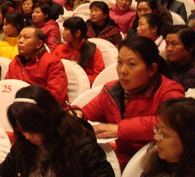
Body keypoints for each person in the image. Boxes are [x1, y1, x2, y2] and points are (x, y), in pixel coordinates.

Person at [75, 36, 185, 167]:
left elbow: (171, 122)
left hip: (153, 163)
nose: (122, 71)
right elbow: (89, 110)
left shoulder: (169, 90)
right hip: (117, 160)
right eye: (119, 62)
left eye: (131, 64)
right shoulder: (112, 90)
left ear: (152, 69)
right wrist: (78, 113)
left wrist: (120, 129)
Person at [0, 85, 119, 177]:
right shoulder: (24, 145)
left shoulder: (83, 148)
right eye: (22, 130)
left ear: (47, 120)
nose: (27, 136)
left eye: (32, 130)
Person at [132, 98, 195, 177]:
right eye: (158, 130)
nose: (156, 137)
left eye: (164, 134)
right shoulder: (155, 166)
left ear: (188, 139)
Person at [5, 26, 69, 104]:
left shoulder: (52, 62)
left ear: (39, 44)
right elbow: (6, 87)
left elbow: (56, 96)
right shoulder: (15, 62)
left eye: (26, 37)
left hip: (43, 108)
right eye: (19, 37)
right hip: (16, 106)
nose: (20, 41)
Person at [53, 17, 105, 84]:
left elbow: (99, 77)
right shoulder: (59, 49)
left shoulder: (93, 51)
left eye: (66, 29)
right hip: (62, 84)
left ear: (77, 33)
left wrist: (77, 79)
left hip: (85, 86)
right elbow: (52, 69)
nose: (63, 32)